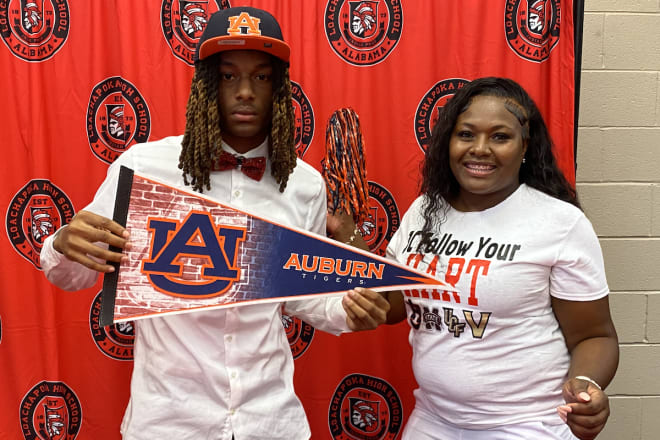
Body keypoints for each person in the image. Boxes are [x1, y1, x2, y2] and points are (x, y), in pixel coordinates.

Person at [40, 7, 388, 440]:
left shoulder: (304, 185)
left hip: (271, 422)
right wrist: (63, 242)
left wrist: (349, 310)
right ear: (206, 86)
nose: (245, 91)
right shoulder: (143, 168)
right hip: (168, 425)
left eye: (261, 77)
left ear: (279, 89)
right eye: (228, 76)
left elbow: (303, 296)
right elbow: (72, 276)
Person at [343, 77, 619, 440]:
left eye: (500, 137)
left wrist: (584, 385)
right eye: (466, 134)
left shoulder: (559, 223)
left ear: (525, 146)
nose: (480, 148)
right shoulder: (424, 210)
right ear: (448, 142)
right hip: (433, 419)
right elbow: (393, 305)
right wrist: (347, 235)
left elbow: (595, 336)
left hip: (526, 424)